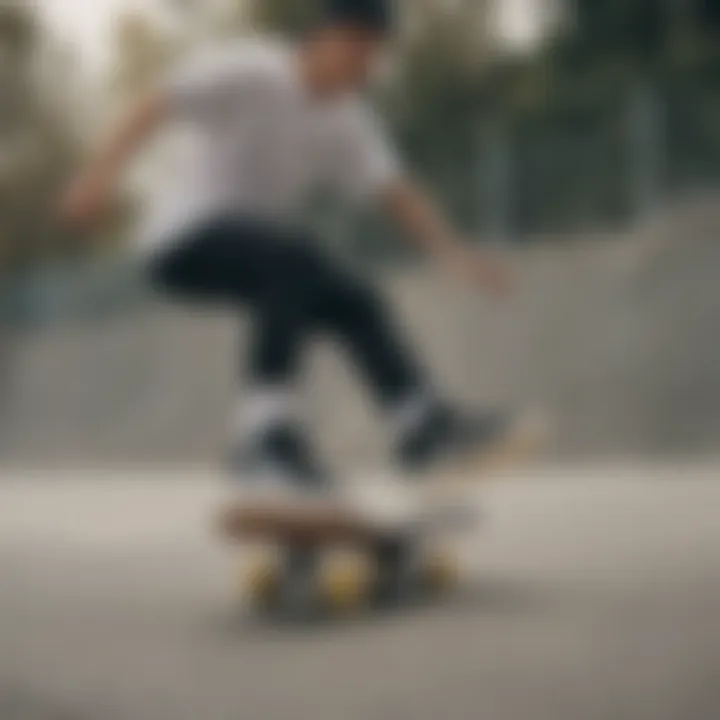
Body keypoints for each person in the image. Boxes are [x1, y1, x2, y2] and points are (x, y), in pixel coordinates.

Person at [60, 0, 521, 513]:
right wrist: (98, 174)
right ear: (325, 38)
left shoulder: (347, 119)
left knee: (354, 298)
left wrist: (455, 253)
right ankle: (263, 440)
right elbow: (158, 102)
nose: (365, 68)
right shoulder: (253, 69)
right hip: (181, 237)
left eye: (375, 58)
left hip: (263, 252)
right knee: (293, 258)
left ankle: (420, 426)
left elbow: (397, 193)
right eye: (358, 51)